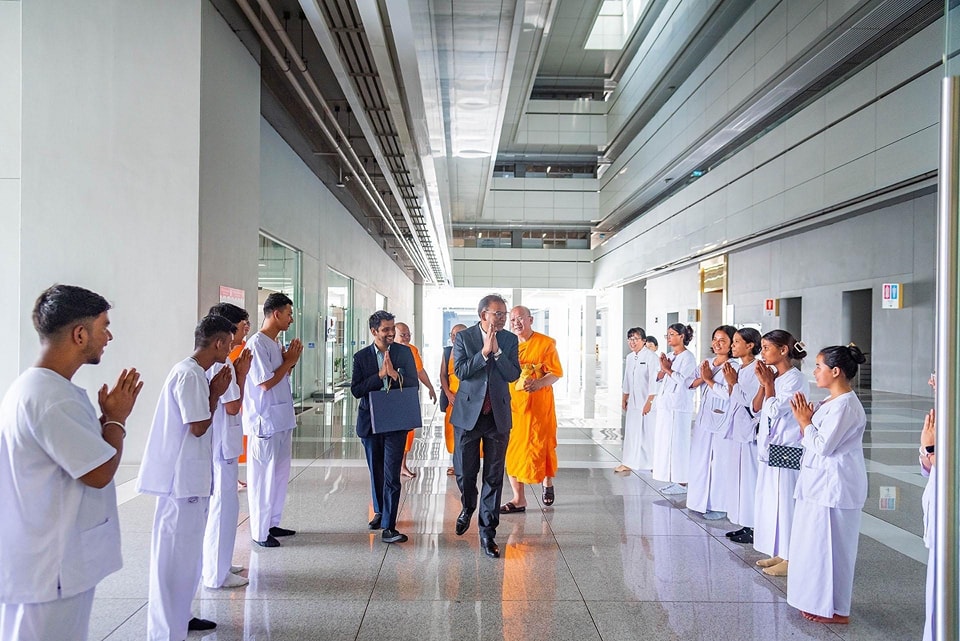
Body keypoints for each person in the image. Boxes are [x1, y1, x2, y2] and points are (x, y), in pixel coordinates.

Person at [0, 285, 142, 641]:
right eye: (103, 326)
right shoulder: (51, 398)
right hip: (53, 568)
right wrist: (116, 420)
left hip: (47, 561)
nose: (108, 336)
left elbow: (77, 452)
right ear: (80, 334)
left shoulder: (44, 388)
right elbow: (99, 473)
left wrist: (106, 420)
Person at [137, 315, 236, 639]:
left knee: (187, 557)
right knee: (174, 558)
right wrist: (216, 393)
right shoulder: (191, 375)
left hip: (190, 480)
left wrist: (213, 391)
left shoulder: (194, 374)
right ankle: (167, 629)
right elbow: (198, 425)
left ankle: (182, 615)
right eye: (230, 343)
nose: (231, 349)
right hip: (180, 484)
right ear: (218, 342)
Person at [787, 344, 868, 624]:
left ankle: (838, 609)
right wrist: (806, 422)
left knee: (836, 551)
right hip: (819, 485)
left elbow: (823, 446)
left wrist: (805, 422)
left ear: (836, 371)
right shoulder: (830, 402)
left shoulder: (845, 406)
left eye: (819, 366)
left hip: (835, 487)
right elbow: (812, 437)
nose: (815, 372)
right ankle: (820, 602)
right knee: (817, 548)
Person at [451, 294, 521, 558]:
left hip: (497, 417)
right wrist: (483, 353)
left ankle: (487, 533)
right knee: (465, 473)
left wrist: (499, 352)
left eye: (504, 314)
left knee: (493, 476)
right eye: (498, 314)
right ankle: (468, 505)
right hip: (468, 415)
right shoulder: (465, 338)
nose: (503, 318)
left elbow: (513, 374)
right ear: (483, 315)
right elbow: (461, 371)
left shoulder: (509, 340)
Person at [350, 310, 420, 543]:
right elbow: (356, 390)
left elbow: (413, 384)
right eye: (386, 329)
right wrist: (380, 376)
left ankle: (389, 526)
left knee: (391, 474)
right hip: (370, 421)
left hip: (395, 420)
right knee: (376, 470)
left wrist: (395, 376)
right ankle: (380, 512)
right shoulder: (361, 357)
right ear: (374, 331)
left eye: (393, 329)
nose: (391, 333)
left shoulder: (404, 353)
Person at [242, 292, 303, 548]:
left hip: (281, 419)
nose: (291, 319)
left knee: (279, 476)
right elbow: (265, 382)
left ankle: (271, 522)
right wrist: (288, 361)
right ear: (276, 314)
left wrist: (289, 362)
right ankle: (259, 530)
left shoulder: (276, 343)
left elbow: (280, 377)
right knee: (263, 478)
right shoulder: (256, 343)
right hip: (265, 422)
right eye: (288, 314)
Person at [202, 303, 252, 589]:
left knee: (224, 508)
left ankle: (219, 562)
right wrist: (241, 374)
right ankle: (216, 574)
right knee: (223, 508)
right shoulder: (224, 363)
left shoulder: (219, 361)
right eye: (242, 327)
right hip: (221, 443)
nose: (244, 333)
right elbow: (233, 405)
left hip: (221, 442)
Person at [753, 329, 808, 577]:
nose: (762, 352)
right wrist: (767, 383)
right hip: (771, 447)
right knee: (774, 499)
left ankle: (793, 556)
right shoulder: (776, 377)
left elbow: (776, 410)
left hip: (787, 447)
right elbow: (761, 408)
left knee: (786, 501)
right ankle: (782, 550)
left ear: (783, 350)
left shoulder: (795, 379)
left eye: (766, 347)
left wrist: (768, 384)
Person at [500, 305, 563, 512]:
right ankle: (519, 499)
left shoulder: (545, 343)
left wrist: (538, 383)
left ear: (530, 319)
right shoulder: (507, 343)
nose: (516, 323)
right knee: (513, 449)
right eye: (513, 320)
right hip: (514, 404)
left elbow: (555, 373)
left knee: (540, 445)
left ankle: (547, 481)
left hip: (539, 404)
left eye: (520, 319)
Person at [714, 327, 763, 544]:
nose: (732, 346)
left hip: (749, 433)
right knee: (739, 480)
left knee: (750, 479)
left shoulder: (755, 369)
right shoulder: (741, 368)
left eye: (736, 342)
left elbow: (753, 405)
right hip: (737, 431)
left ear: (750, 345)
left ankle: (755, 526)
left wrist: (733, 382)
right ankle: (745, 522)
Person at [687, 325, 737, 519]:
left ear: (732, 344)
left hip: (723, 420)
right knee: (700, 459)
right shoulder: (707, 362)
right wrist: (704, 378)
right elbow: (689, 383)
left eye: (722, 340)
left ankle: (719, 504)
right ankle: (697, 501)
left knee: (719, 462)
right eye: (715, 339)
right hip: (704, 419)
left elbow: (728, 394)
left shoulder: (735, 367)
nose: (717, 343)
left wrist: (708, 380)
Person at [653, 323, 696, 494]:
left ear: (682, 336)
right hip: (666, 407)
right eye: (667, 335)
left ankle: (683, 482)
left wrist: (668, 369)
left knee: (679, 444)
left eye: (672, 334)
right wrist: (664, 369)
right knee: (666, 444)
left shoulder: (688, 358)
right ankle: (674, 478)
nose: (669, 338)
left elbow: (686, 382)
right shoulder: (670, 355)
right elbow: (658, 376)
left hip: (678, 407)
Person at [395, 321, 437, 478]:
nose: (406, 337)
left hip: (409, 395)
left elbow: (420, 371)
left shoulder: (413, 350)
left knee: (408, 432)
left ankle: (402, 465)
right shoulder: (389, 350)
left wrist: (431, 387)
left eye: (408, 334)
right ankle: (391, 465)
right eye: (402, 335)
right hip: (392, 398)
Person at [616, 327, 657, 473]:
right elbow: (627, 378)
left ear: (644, 340)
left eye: (636, 339)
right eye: (630, 339)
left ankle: (652, 463)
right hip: (633, 401)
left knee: (648, 433)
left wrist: (650, 401)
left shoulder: (651, 357)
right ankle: (628, 462)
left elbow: (654, 381)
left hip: (647, 401)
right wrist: (624, 396)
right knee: (632, 432)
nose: (632, 342)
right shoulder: (629, 357)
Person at [440, 324, 467, 475]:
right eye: (453, 335)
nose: (456, 338)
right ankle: (456, 464)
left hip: (468, 398)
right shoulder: (447, 352)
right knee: (452, 432)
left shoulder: (474, 350)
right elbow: (443, 375)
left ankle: (466, 464)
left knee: (468, 433)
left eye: (460, 334)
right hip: (452, 397)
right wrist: (448, 394)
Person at [919, 398, 936, 641]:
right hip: (939, 520)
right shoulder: (941, 414)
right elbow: (928, 469)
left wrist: (930, 450)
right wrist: (927, 452)